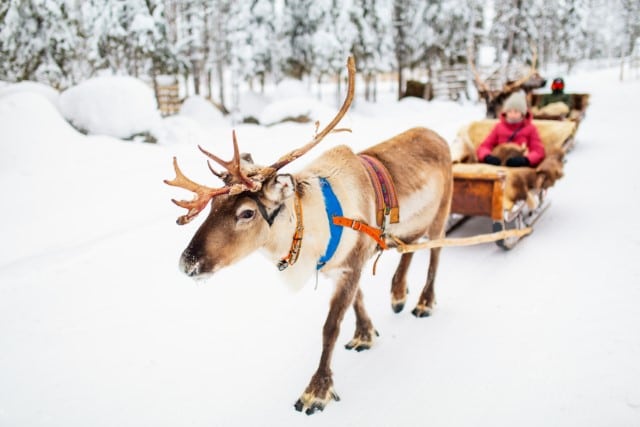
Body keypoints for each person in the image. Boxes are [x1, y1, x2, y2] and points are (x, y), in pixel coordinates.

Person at [477, 90, 545, 167]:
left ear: (522, 113)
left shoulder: (530, 129)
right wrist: (487, 157)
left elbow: (538, 151)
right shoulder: (499, 127)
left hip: (521, 167)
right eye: (509, 111)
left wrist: (525, 160)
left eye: (516, 112)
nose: (512, 115)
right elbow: (485, 146)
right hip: (500, 163)